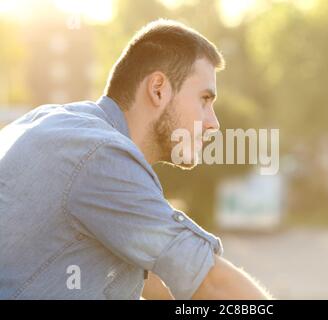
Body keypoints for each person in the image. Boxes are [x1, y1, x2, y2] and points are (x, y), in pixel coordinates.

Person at [0, 19, 271, 300]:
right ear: (158, 89)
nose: (213, 123)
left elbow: (156, 283)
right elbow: (211, 283)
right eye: (204, 99)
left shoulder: (52, 122)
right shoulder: (100, 155)